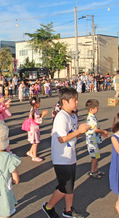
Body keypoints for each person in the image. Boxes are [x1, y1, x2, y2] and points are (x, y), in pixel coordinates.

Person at [42, 87, 90, 218]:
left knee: (70, 186)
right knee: (63, 187)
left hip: (70, 156)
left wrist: (81, 131)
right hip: (61, 157)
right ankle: (48, 207)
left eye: (77, 100)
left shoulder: (73, 115)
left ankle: (68, 210)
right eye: (74, 100)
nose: (77, 102)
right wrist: (79, 131)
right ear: (64, 101)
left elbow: (73, 135)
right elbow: (61, 138)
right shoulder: (61, 117)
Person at [85, 99, 109, 179]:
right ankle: (93, 171)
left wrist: (101, 133)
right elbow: (95, 129)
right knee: (95, 157)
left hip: (94, 140)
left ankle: (95, 169)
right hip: (92, 141)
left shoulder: (92, 117)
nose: (98, 109)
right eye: (96, 108)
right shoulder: (91, 118)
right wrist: (103, 131)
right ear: (91, 109)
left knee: (97, 156)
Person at [25, 97, 48, 162]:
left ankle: (30, 152)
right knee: (35, 142)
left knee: (35, 141)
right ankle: (34, 156)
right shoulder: (34, 111)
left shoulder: (34, 110)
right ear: (36, 104)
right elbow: (38, 120)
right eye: (39, 102)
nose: (39, 104)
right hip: (34, 128)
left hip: (33, 128)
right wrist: (43, 115)